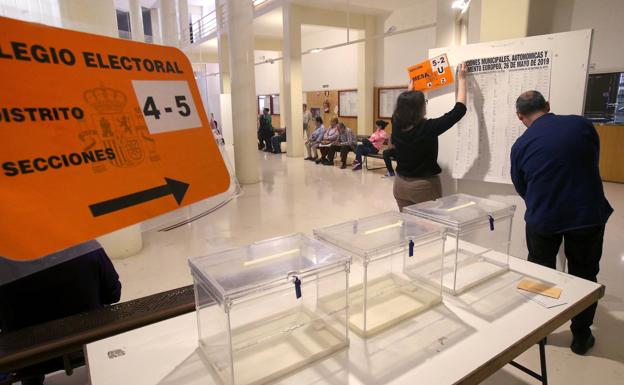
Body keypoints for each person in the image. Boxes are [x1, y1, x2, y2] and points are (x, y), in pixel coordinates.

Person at [510, 90, 613, 355]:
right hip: (586, 215)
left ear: (520, 117)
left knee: (540, 274)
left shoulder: (521, 145)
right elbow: (591, 158)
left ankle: (540, 333)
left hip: (543, 217)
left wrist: (542, 201)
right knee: (585, 274)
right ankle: (581, 337)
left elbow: (521, 186)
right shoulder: (582, 125)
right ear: (547, 105)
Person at [0, 245, 122, 385]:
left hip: (28, 359)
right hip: (86, 340)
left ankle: (32, 380)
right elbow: (113, 295)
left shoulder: (3, 264)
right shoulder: (86, 246)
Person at [391, 63, 467, 210]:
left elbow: (404, 108)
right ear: (419, 109)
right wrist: (462, 79)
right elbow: (459, 110)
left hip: (400, 185)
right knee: (431, 228)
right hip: (422, 188)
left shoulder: (396, 123)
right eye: (424, 103)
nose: (426, 105)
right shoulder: (427, 128)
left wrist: (410, 93)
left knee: (409, 228)